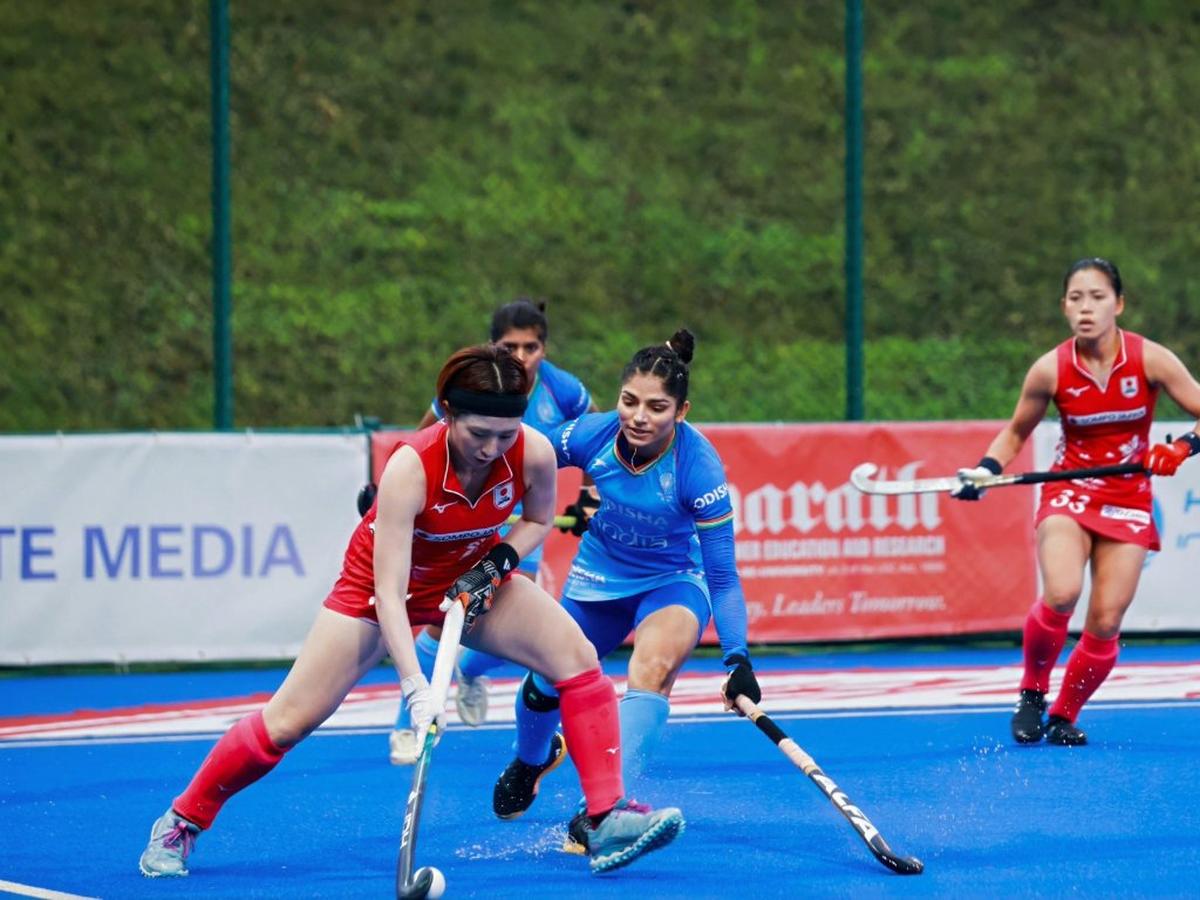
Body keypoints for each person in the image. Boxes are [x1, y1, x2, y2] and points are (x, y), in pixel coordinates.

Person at [138, 344, 684, 879]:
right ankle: (184, 819)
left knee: (577, 658)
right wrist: (416, 690)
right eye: (478, 433)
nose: (491, 449)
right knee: (287, 723)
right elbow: (390, 593)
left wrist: (496, 562)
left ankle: (605, 816)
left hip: (470, 578)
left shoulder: (533, 451)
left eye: (505, 434)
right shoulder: (411, 468)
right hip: (376, 593)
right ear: (447, 413)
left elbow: (538, 519)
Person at [489, 328, 762, 852]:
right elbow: (512, 455)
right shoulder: (592, 434)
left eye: (657, 408)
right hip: (599, 577)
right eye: (629, 401)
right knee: (547, 679)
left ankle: (601, 811)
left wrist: (737, 659)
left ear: (681, 412)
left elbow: (723, 576)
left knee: (652, 668)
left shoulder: (698, 468)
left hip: (673, 581)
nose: (638, 417)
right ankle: (531, 759)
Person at [952, 257, 1200, 746]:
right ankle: (1032, 693)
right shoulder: (1050, 369)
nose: (1086, 308)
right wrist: (986, 469)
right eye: (1075, 298)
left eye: (1097, 297)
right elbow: (1015, 432)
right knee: (1063, 592)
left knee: (1106, 620)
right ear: (1064, 307)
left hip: (1129, 498)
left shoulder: (1151, 359)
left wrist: (1181, 448)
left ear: (1119, 304)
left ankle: (1064, 715)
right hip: (1070, 492)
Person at [386, 298, 599, 763]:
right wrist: (384, 487)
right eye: (511, 346)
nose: (522, 357)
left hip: (521, 522)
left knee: (517, 631)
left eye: (531, 347)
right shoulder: (474, 387)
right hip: (464, 519)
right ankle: (408, 724)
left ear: (545, 348)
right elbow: (421, 439)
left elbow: (596, 438)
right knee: (441, 619)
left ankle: (468, 671)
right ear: (493, 345)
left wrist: (589, 493)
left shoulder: (562, 389)